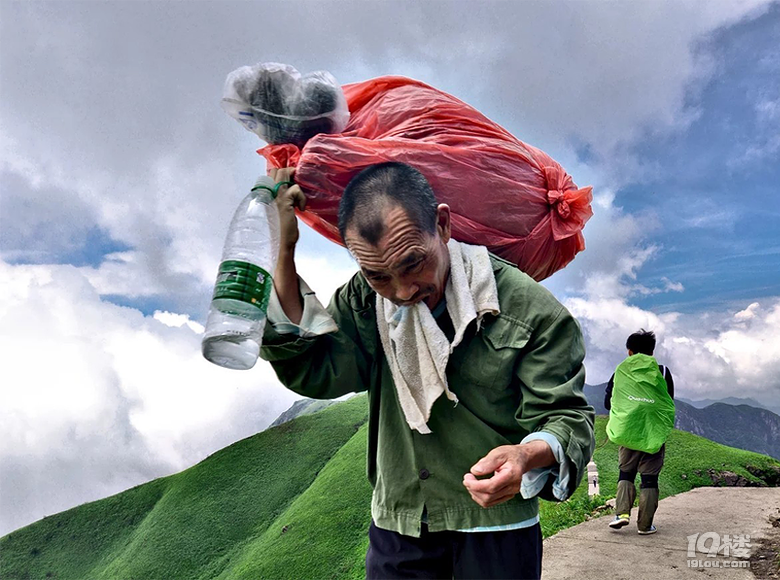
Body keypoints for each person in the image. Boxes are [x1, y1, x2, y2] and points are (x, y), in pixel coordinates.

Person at [261, 161, 595, 579]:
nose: (402, 292)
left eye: (413, 263)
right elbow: (319, 368)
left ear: (442, 224)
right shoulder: (365, 301)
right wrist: (283, 249)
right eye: (378, 275)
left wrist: (526, 455)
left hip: (496, 528)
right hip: (400, 524)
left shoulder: (526, 310)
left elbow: (567, 417)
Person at [604, 329, 675, 536]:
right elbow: (667, 401)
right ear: (652, 352)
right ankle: (645, 525)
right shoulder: (662, 372)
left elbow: (608, 402)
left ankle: (621, 514)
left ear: (629, 352)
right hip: (654, 433)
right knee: (649, 479)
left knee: (626, 473)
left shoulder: (620, 372)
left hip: (628, 432)